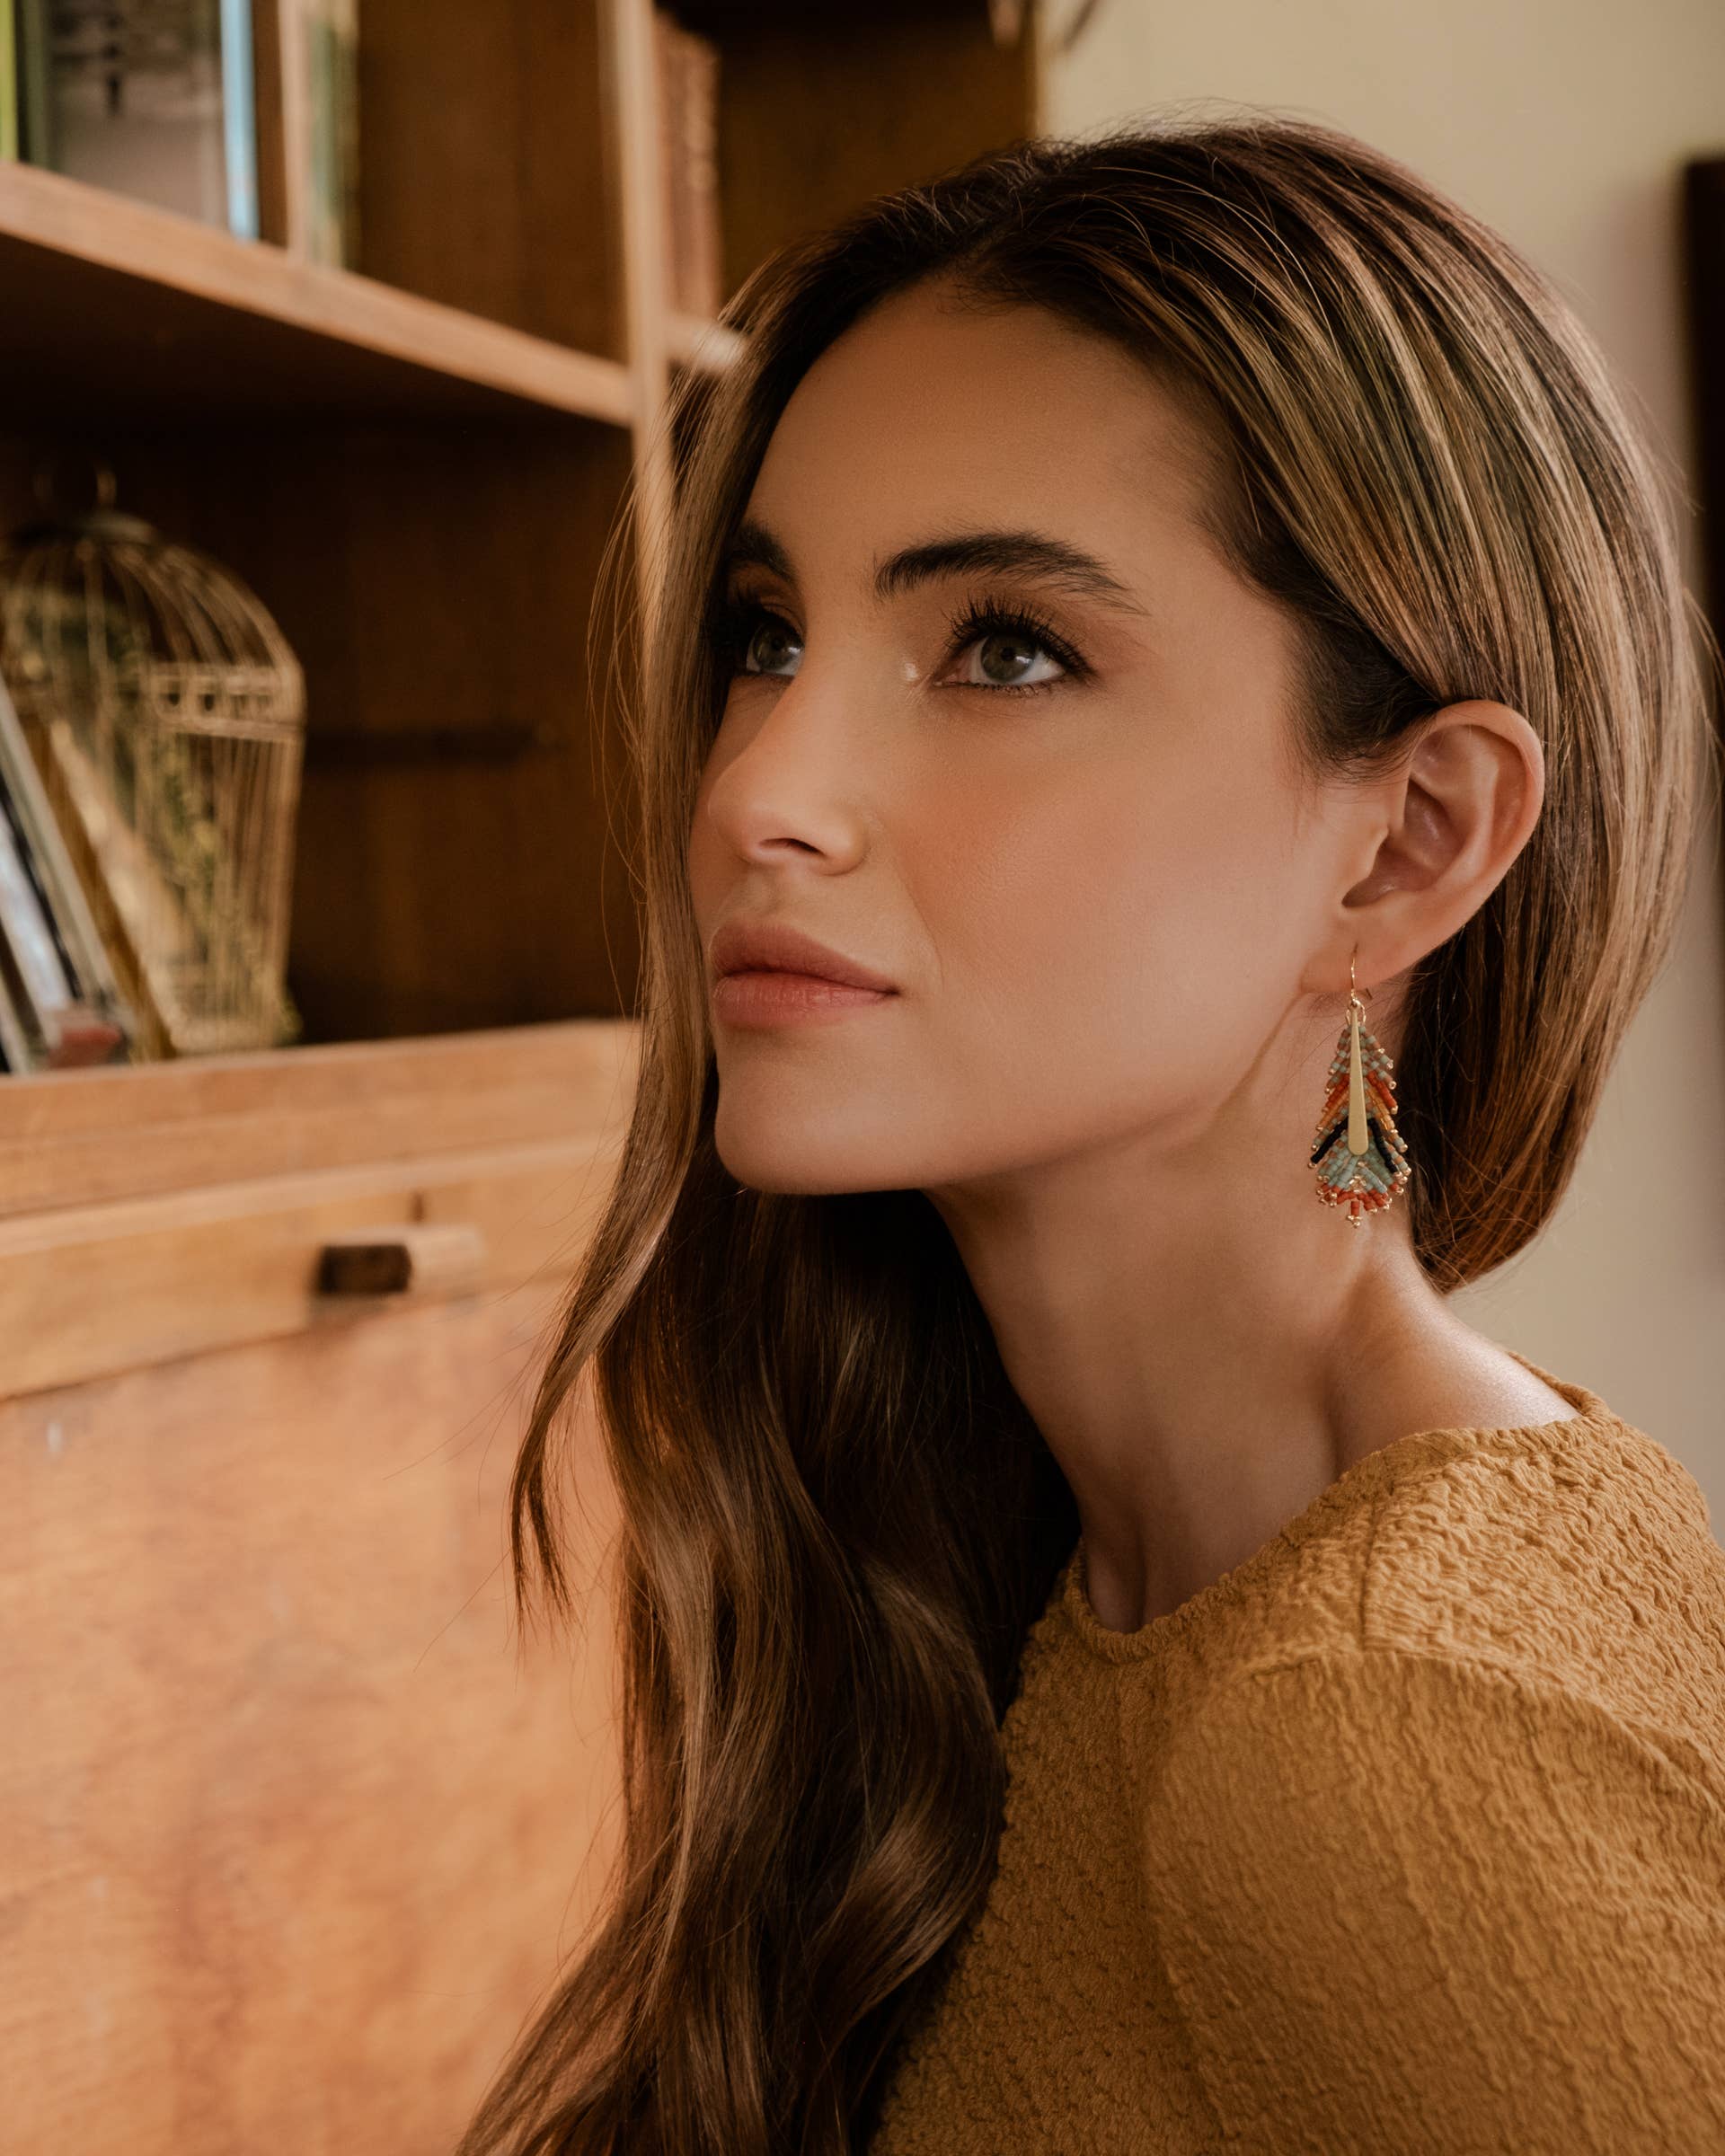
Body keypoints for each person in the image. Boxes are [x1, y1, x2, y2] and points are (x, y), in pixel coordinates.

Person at [456, 111, 1725, 2156]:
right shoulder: (1066, 1584)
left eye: (1008, 649)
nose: (760, 787)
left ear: (1407, 846)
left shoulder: (1389, 1726)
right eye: (767, 637)